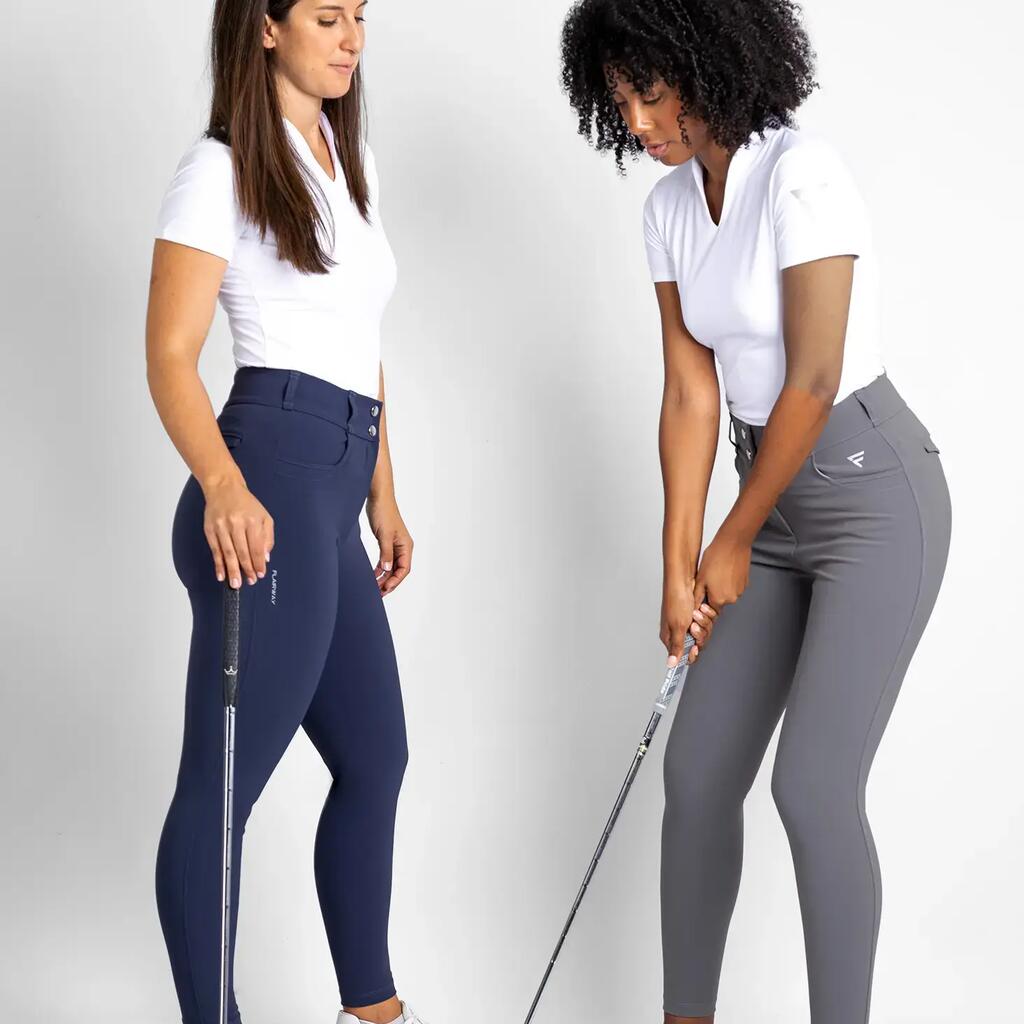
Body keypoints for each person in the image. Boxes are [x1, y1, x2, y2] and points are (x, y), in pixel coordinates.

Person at [559, 1, 952, 1021]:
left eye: (653, 93)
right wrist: (678, 559)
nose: (638, 121)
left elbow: (814, 377)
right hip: (767, 507)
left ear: (711, 64)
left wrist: (730, 536)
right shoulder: (668, 209)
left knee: (812, 788)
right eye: (620, 99)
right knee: (695, 775)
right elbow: (691, 392)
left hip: (871, 497)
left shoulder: (800, 175)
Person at [145, 2, 429, 1022]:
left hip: (335, 489)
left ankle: (374, 1009)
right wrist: (224, 486)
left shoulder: (350, 166)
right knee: (222, 790)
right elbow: (170, 353)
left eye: (360, 16)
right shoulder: (218, 169)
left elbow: (359, 337)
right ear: (265, 27)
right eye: (326, 16)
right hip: (264, 485)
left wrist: (383, 491)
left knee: (376, 757)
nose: (352, 37)